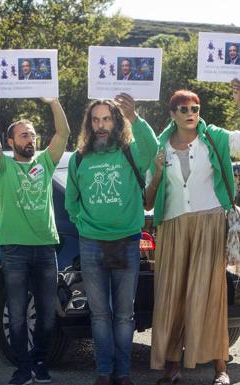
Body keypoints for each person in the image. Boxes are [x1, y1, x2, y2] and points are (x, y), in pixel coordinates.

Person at [145, 79, 240, 385]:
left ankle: (220, 367)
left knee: (210, 293)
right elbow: (147, 197)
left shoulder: (215, 137)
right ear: (172, 114)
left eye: (195, 108)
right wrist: (156, 172)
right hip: (171, 223)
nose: (190, 113)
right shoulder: (159, 146)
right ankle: (172, 365)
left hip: (210, 221)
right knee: (170, 295)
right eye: (183, 109)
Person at [64, 95, 158, 385]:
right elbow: (71, 202)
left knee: (124, 315)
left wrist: (135, 116)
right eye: (96, 119)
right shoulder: (79, 158)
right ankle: (104, 371)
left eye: (106, 119)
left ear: (115, 122)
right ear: (89, 124)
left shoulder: (130, 152)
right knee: (100, 315)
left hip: (127, 243)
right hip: (91, 244)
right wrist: (85, 224)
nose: (101, 125)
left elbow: (153, 148)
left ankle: (123, 373)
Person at [0, 75, 70, 385]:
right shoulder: (3, 167)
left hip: (47, 249)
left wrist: (53, 101)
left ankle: (39, 364)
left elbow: (63, 132)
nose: (29, 139)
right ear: (11, 142)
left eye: (32, 134)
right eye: (23, 135)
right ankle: (22, 367)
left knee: (48, 314)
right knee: (18, 313)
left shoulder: (45, 163)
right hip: (15, 250)